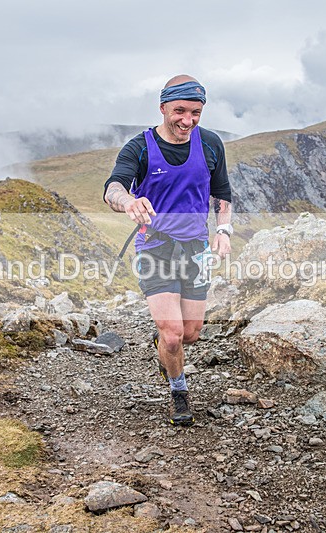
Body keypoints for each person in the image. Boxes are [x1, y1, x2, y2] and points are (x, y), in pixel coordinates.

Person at [103, 74, 233, 426]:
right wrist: (128, 201)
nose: (187, 120)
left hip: (197, 251)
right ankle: (179, 391)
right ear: (163, 108)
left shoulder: (210, 145)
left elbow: (221, 193)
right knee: (174, 334)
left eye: (195, 112)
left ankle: (164, 345)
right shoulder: (140, 147)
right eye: (179, 110)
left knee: (190, 333)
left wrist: (223, 230)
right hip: (155, 249)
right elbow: (113, 187)